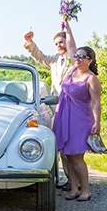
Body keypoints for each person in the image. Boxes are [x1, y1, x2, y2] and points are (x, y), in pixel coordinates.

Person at [23, 20, 78, 190]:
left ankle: (79, 182)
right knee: (60, 144)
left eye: (61, 42)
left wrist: (67, 24)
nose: (59, 46)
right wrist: (30, 43)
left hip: (73, 105)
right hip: (57, 106)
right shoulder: (54, 60)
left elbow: (72, 48)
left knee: (73, 146)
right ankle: (70, 180)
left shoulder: (75, 58)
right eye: (56, 44)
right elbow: (39, 56)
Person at [52, 46, 102, 202]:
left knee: (77, 157)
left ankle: (85, 190)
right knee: (67, 155)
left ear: (90, 60)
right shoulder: (71, 72)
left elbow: (96, 102)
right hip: (64, 117)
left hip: (80, 120)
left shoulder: (91, 78)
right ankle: (73, 189)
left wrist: (97, 122)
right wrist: (66, 24)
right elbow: (70, 44)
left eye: (82, 56)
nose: (78, 58)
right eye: (76, 55)